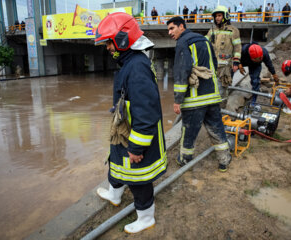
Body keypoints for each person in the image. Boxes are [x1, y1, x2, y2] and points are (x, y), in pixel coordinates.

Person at [94, 12, 167, 234]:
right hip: (124, 129)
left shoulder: (136, 67)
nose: (107, 48)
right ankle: (114, 195)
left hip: (135, 135)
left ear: (122, 39)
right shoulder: (130, 62)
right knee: (115, 160)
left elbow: (146, 114)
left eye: (109, 42)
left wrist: (137, 148)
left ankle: (146, 217)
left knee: (138, 179)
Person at [166, 16, 232, 172]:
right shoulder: (204, 40)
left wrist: (177, 100)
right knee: (216, 128)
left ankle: (184, 159)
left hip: (195, 100)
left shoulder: (183, 42)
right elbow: (214, 65)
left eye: (171, 28)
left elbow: (182, 72)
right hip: (212, 96)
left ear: (181, 26)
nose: (169, 32)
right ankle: (224, 159)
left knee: (189, 131)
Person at [206, 5, 241, 107]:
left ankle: (221, 111)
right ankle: (213, 111)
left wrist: (236, 62)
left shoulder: (233, 31)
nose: (217, 18)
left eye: (219, 15)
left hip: (225, 68)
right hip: (212, 66)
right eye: (216, 16)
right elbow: (205, 42)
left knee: (222, 91)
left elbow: (237, 47)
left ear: (225, 16)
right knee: (211, 90)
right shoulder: (212, 30)